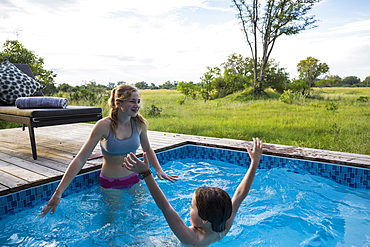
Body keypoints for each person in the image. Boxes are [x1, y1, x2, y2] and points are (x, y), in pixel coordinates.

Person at [41, 84, 177, 216]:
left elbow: (147, 148)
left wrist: (159, 170)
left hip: (134, 178)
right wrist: (58, 192)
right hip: (111, 182)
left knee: (143, 217)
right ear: (118, 103)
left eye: (138, 101)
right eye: (132, 101)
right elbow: (81, 158)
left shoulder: (139, 123)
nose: (137, 105)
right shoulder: (103, 126)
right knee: (112, 223)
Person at [123, 137, 263, 247]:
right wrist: (254, 163)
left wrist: (147, 174)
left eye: (192, 207)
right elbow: (240, 195)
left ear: (204, 219)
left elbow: (165, 207)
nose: (188, 208)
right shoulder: (222, 227)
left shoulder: (192, 238)